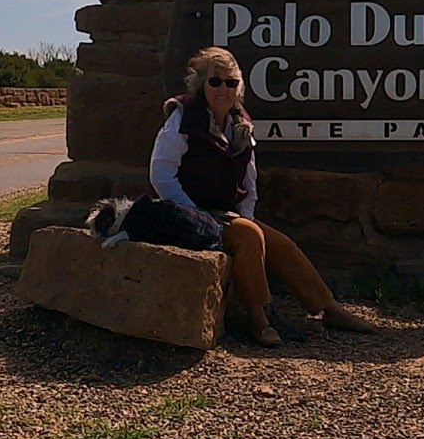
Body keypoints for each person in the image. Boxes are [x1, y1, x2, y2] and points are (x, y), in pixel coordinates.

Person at [150, 46, 375, 347]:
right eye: (215, 81)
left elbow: (249, 179)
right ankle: (259, 319)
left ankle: (328, 308)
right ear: (201, 84)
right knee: (249, 237)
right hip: (184, 216)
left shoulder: (240, 124)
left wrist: (245, 215)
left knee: (280, 244)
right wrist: (195, 214)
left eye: (231, 83)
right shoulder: (182, 120)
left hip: (224, 214)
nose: (223, 89)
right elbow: (161, 175)